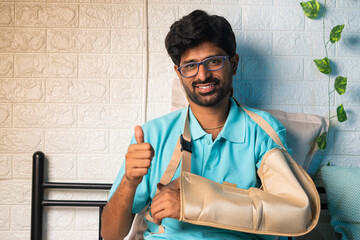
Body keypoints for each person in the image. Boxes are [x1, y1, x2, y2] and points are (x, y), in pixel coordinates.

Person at [101, 10, 290, 240]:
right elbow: (110, 236)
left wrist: (195, 204)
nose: (202, 75)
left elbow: (288, 215)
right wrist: (129, 182)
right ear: (179, 74)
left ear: (233, 64)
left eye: (213, 61)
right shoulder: (153, 135)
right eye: (190, 65)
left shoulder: (264, 131)